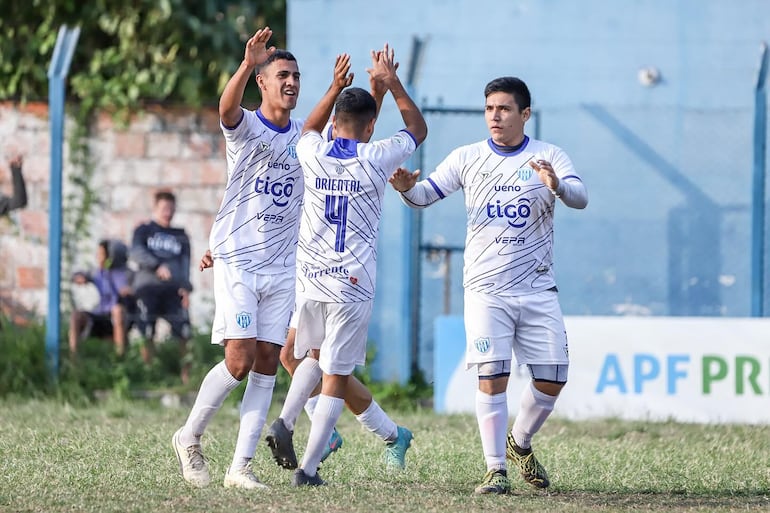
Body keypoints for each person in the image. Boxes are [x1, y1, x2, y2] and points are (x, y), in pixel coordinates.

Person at [389, 76, 588, 494]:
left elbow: (580, 196)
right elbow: (425, 194)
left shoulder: (548, 155)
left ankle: (520, 442)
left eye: (504, 108)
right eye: (489, 108)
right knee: (492, 377)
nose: (495, 116)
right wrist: (408, 188)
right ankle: (495, 469)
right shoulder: (468, 157)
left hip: (536, 288)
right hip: (485, 289)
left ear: (525, 114)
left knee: (553, 378)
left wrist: (557, 185)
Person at [287, 44, 427, 487]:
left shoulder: (313, 151)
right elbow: (414, 129)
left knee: (317, 364)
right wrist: (387, 85)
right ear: (370, 127)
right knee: (309, 361)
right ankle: (388, 434)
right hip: (347, 280)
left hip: (318, 277)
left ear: (332, 123)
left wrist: (336, 88)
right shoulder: (374, 157)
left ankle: (323, 437)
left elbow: (311, 128)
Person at [171, 27, 305, 491]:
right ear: (264, 84)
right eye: (282, 75)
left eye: (295, 76)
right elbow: (225, 110)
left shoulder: (303, 141)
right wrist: (248, 63)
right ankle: (189, 437)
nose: (290, 82)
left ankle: (240, 468)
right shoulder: (247, 125)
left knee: (268, 359)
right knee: (240, 359)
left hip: (282, 265)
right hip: (239, 261)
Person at [129, 189, 193, 381]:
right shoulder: (144, 230)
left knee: (185, 331)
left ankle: (186, 376)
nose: (168, 212)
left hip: (173, 290)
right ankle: (149, 374)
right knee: (146, 330)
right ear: (155, 208)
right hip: (148, 288)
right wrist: (157, 265)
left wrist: (185, 287)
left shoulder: (180, 235)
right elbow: (135, 252)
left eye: (171, 208)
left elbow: (185, 263)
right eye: (164, 208)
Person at [69, 239, 134, 357]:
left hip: (120, 318)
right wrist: (79, 277)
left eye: (102, 254)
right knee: (76, 315)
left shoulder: (127, 274)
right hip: (101, 315)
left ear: (111, 256)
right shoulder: (98, 273)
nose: (98, 258)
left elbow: (135, 290)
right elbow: (78, 275)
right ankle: (74, 360)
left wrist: (130, 291)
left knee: (117, 310)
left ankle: (120, 358)